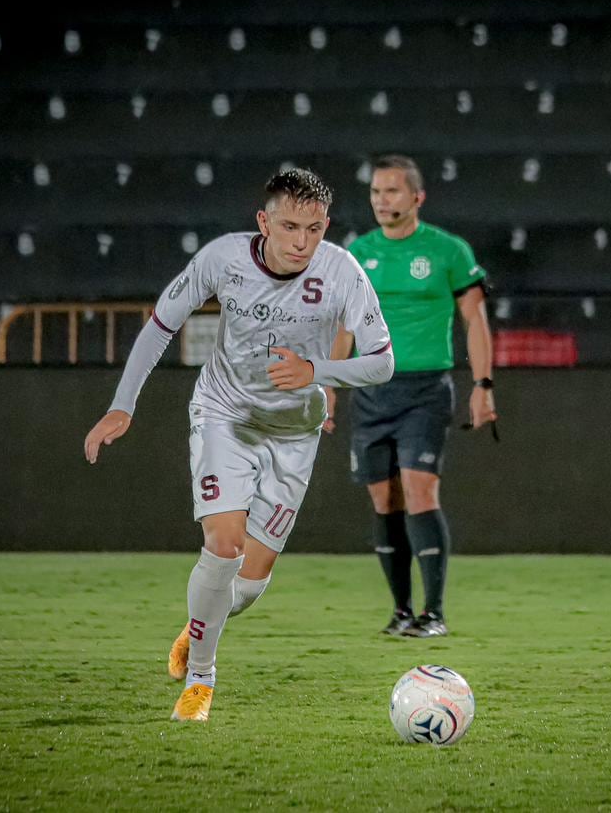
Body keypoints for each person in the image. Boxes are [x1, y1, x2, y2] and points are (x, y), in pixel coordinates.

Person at [83, 169, 393, 722]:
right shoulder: (222, 259)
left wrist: (317, 371)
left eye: (315, 229)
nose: (302, 242)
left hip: (295, 432)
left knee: (247, 585)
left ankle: (196, 627)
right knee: (223, 544)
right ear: (263, 222)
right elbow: (161, 323)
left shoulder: (343, 271)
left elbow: (382, 361)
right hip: (224, 414)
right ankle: (201, 679)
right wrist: (122, 404)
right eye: (290, 226)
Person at [329, 154, 496, 639]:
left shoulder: (448, 251)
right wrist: (329, 388)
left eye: (392, 191)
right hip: (372, 392)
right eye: (376, 193)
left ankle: (435, 613)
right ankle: (401, 611)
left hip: (425, 390)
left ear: (417, 197)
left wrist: (483, 385)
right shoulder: (357, 253)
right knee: (385, 500)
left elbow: (475, 320)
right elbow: (344, 325)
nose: (382, 201)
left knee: (421, 491)